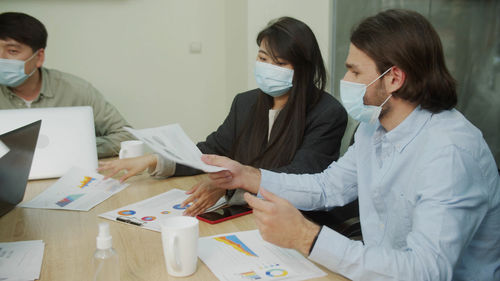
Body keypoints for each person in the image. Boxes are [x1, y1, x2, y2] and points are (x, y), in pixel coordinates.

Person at [202, 9, 500, 281]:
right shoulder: (373, 127)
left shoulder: (450, 153)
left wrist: (307, 236)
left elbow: (425, 271)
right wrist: (247, 175)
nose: (345, 80)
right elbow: (328, 186)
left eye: (355, 72)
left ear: (394, 78)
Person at [99, 17, 350, 219]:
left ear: (303, 69)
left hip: (289, 221)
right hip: (241, 213)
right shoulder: (246, 102)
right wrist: (154, 159)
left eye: (280, 63)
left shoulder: (327, 113)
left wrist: (230, 185)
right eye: (262, 59)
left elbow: (299, 178)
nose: (267, 68)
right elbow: (211, 150)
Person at [0, 12, 133, 158]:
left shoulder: (75, 90)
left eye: (12, 51)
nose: (1, 58)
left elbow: (126, 137)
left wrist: (75, 147)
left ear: (39, 57)